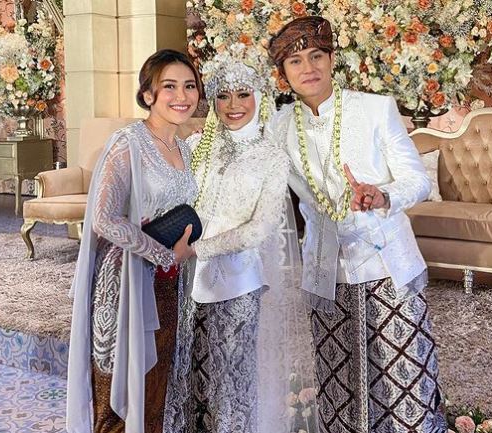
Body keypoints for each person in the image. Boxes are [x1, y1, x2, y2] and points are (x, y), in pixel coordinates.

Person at [268, 16, 446, 433]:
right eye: (295, 61)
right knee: (339, 384)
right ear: (283, 75)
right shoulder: (277, 127)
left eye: (317, 56)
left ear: (332, 60)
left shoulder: (375, 109)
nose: (309, 68)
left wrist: (383, 195)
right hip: (325, 269)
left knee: (404, 378)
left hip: (385, 262)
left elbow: (417, 180)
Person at [162, 49, 318, 433]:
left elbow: (259, 228)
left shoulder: (271, 158)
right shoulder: (197, 145)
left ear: (260, 97)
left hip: (238, 284)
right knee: (189, 375)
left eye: (243, 94)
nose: (233, 105)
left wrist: (198, 250)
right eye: (223, 95)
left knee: (231, 381)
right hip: (186, 280)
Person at [66, 49, 202, 433]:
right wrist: (164, 254)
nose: (182, 96)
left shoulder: (184, 148)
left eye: (189, 86)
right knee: (120, 394)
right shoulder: (128, 143)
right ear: (148, 95)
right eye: (169, 86)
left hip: (170, 283)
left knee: (156, 388)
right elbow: (103, 218)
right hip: (126, 280)